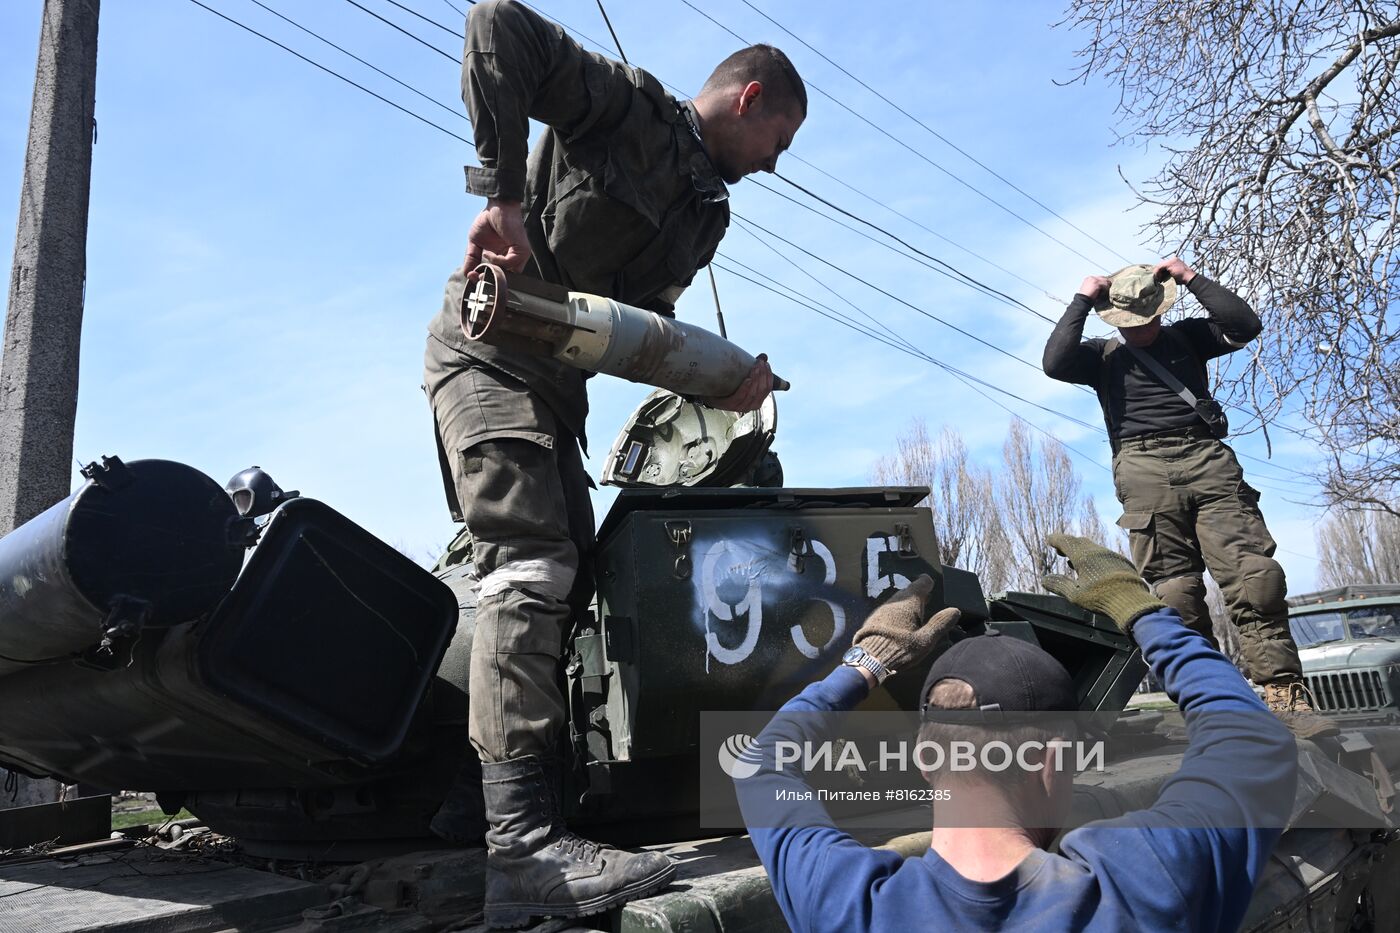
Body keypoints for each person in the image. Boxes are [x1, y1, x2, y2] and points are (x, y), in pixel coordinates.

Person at [421, 1, 806, 926]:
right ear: (748, 98)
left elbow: (633, 338)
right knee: (527, 569)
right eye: (778, 140)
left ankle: (521, 811)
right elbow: (495, 28)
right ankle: (521, 852)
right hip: (484, 355)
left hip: (555, 391)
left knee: (573, 579)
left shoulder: (702, 218)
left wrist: (723, 380)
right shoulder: (625, 110)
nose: (775, 164)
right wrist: (500, 195)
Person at [738, 535, 1298, 932]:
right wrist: (1143, 611)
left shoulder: (848, 903)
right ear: (1052, 761)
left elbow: (760, 760)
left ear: (925, 756)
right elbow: (1252, 741)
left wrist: (866, 663)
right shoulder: (1147, 878)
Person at [1041, 257, 1333, 738]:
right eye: (1128, 323)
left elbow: (1245, 323)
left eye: (1146, 319)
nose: (1139, 330)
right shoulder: (1101, 357)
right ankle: (1211, 704)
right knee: (1176, 594)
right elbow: (1054, 362)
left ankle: (1283, 694)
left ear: (1159, 310)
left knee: (1254, 578)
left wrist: (1188, 277)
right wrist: (1081, 299)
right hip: (1142, 471)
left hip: (1207, 459)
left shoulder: (1190, 338)